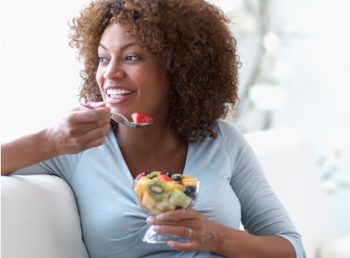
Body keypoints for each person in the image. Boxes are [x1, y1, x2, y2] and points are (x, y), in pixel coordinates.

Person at [1, 0, 306, 257]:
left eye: (131, 57)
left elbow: (292, 247)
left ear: (178, 67)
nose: (110, 73)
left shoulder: (222, 141)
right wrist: (49, 141)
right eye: (103, 58)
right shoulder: (78, 147)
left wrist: (215, 236)